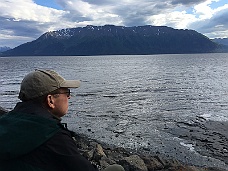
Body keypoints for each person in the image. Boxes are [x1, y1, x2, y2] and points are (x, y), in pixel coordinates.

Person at [0, 69, 124, 171]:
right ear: (50, 100)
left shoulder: (5, 122)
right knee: (117, 168)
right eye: (67, 92)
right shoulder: (52, 135)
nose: (69, 97)